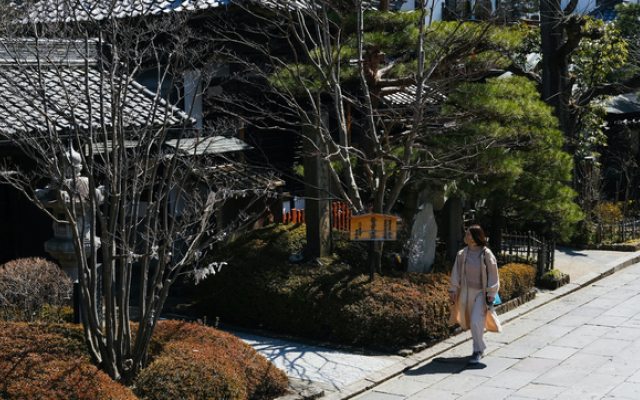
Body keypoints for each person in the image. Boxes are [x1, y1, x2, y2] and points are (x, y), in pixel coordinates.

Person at [449, 224, 502, 364]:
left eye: (468, 234)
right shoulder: (462, 254)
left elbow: (493, 273)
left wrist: (491, 291)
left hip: (481, 294)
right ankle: (478, 348)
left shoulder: (486, 253)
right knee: (473, 323)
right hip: (466, 293)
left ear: (476, 236)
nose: (466, 236)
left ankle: (478, 350)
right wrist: (454, 289)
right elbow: (456, 272)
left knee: (475, 322)